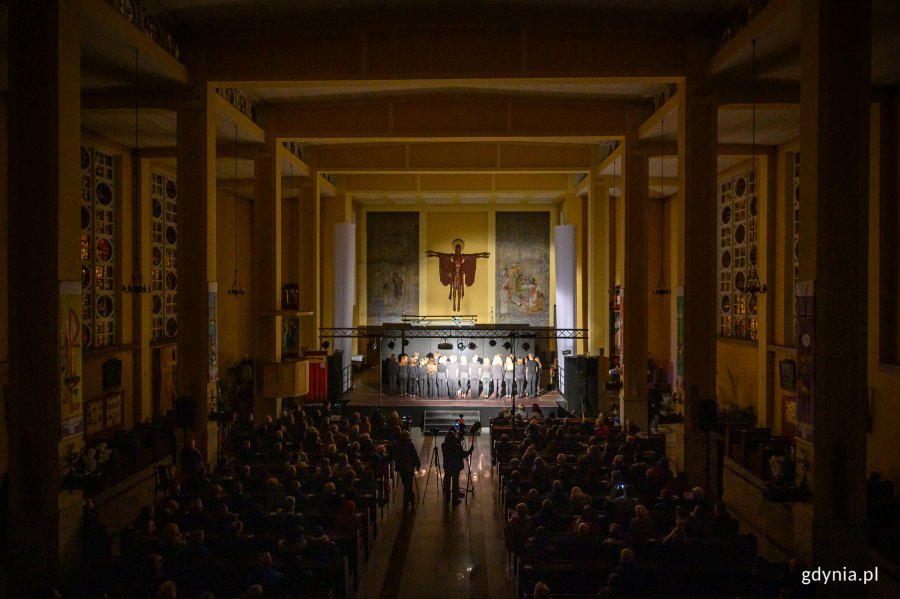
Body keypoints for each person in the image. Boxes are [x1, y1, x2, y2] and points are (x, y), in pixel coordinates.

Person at [425, 239, 490, 312]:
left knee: (459, 290)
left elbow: (473, 256)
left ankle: (458, 304)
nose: (458, 250)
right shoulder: (452, 256)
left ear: (460, 250)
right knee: (453, 290)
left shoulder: (462, 256)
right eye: (456, 249)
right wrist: (432, 253)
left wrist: (483, 255)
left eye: (459, 249)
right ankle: (454, 305)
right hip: (454, 275)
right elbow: (441, 255)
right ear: (455, 249)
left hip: (459, 276)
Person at [441, 429, 473, 504]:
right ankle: (454, 499)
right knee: (455, 483)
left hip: (447, 466)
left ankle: (447, 498)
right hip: (455, 466)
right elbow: (463, 455)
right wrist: (470, 450)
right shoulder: (457, 446)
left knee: (447, 482)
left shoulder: (444, 445)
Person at [391, 430, 421, 510]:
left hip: (401, 467)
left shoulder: (396, 444)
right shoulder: (410, 444)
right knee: (408, 485)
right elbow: (414, 455)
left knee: (406, 484)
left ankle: (410, 500)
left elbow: (394, 455)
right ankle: (408, 501)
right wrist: (418, 465)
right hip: (409, 467)